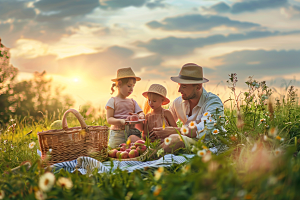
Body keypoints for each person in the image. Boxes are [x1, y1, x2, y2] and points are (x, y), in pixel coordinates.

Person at [149, 63, 224, 153]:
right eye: (179, 85)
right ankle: (147, 155)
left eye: (183, 86)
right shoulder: (178, 102)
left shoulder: (213, 102)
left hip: (205, 145)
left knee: (174, 139)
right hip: (185, 143)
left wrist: (175, 131)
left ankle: (146, 158)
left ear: (198, 86)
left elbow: (207, 130)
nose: (179, 90)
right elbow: (164, 121)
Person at [105, 67, 145, 148]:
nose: (132, 89)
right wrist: (121, 121)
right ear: (119, 84)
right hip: (118, 133)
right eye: (129, 86)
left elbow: (140, 112)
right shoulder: (113, 101)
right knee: (116, 151)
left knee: (135, 150)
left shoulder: (132, 102)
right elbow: (109, 119)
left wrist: (141, 116)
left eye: (133, 86)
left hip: (133, 132)